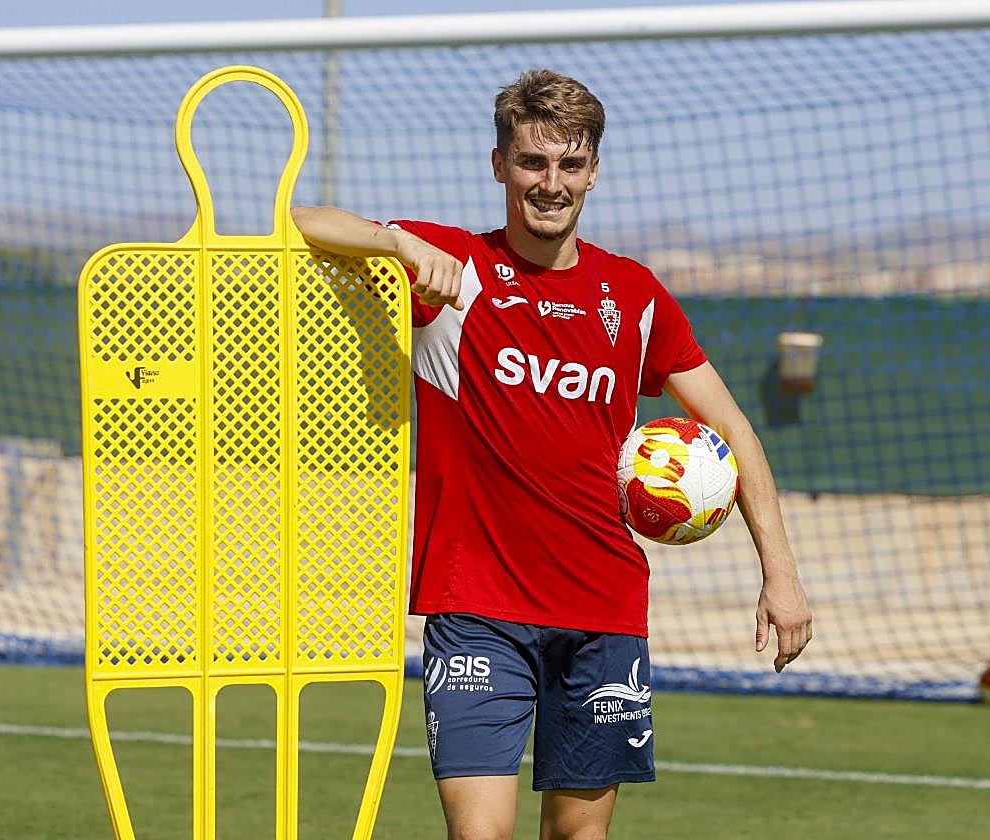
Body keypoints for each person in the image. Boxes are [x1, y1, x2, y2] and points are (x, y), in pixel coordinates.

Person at [292, 68, 812, 840]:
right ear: (499, 164)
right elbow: (301, 219)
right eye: (533, 162)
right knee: (481, 836)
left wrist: (782, 575)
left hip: (603, 610)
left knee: (578, 837)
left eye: (569, 165)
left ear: (594, 171)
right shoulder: (454, 270)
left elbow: (737, 433)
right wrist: (397, 241)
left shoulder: (633, 295)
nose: (551, 183)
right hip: (476, 610)